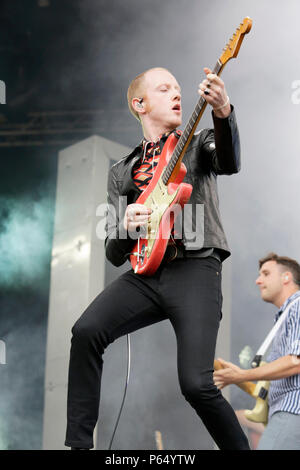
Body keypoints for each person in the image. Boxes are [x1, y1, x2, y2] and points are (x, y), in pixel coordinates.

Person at [64, 66, 250, 450]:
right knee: (85, 332)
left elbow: (229, 162)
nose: (177, 95)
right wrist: (125, 226)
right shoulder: (121, 172)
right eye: (165, 89)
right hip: (146, 274)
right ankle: (79, 446)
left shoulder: (198, 144)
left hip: (196, 266)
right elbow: (114, 253)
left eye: (179, 89)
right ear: (140, 104)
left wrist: (223, 111)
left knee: (197, 384)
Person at [214, 253, 300, 450]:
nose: (258, 280)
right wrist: (237, 377)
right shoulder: (285, 315)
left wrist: (242, 374)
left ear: (286, 277)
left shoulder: (297, 306)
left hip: (292, 410)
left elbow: (296, 361)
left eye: (266, 273)